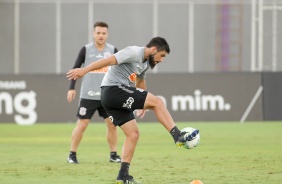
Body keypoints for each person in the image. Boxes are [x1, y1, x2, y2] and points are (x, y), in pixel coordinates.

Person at [66, 37, 199, 184]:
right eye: (162, 56)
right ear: (154, 49)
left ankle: (123, 175)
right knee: (158, 102)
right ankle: (177, 135)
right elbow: (109, 60)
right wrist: (84, 70)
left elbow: (140, 81)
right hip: (113, 90)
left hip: (113, 97)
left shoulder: (144, 62)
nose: (161, 60)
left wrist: (141, 105)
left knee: (133, 134)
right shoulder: (133, 52)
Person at [67, 22, 121, 164]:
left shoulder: (113, 50)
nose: (101, 35)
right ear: (93, 34)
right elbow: (75, 68)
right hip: (88, 95)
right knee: (82, 124)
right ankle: (72, 154)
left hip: (107, 95)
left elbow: (120, 70)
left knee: (112, 124)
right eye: (98, 33)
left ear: (107, 34)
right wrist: (71, 88)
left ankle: (113, 154)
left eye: (103, 33)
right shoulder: (86, 50)